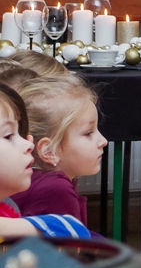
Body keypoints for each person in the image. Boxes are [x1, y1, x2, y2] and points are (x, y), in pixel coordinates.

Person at [10, 76, 108, 225]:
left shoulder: (44, 179)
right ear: (49, 151)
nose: (103, 141)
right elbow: (69, 239)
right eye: (88, 133)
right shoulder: (55, 188)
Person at [0, 82, 91, 239]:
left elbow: (73, 229)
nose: (29, 144)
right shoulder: (55, 186)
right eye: (8, 136)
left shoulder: (7, 206)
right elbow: (72, 232)